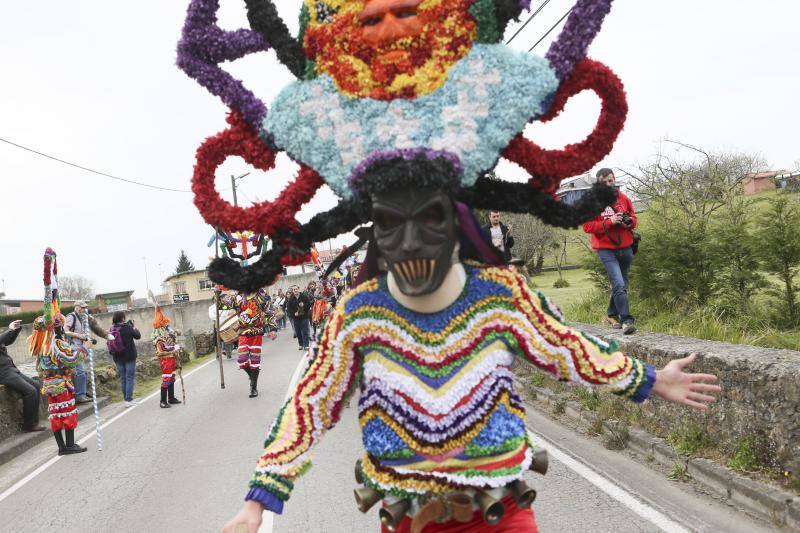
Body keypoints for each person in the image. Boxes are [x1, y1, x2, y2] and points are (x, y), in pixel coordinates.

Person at [178, 1, 720, 530]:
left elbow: (569, 350)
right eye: (395, 223)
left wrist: (652, 381)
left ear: (457, 222)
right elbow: (310, 403)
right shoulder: (359, 314)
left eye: (428, 221)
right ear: (378, 235)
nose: (412, 243)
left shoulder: (500, 296)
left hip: (501, 515)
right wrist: (259, 501)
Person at [30, 248, 86, 455]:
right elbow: (70, 359)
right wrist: (84, 349)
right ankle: (69, 445)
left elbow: (51, 304)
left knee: (55, 414)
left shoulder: (42, 348)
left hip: (48, 384)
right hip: (61, 384)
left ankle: (62, 447)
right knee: (68, 411)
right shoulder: (56, 344)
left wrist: (51, 271)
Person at [582, 168, 638, 335]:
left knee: (622, 284)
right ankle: (626, 320)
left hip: (626, 248)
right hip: (606, 250)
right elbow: (587, 226)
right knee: (619, 284)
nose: (608, 183)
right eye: (604, 181)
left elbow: (634, 219)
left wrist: (628, 222)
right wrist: (610, 222)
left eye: (611, 180)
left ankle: (611, 314)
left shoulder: (623, 198)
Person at [218, 288, 277, 398]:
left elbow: (269, 313)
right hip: (243, 332)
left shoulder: (262, 296)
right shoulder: (238, 298)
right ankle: (252, 376)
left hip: (257, 332)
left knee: (255, 361)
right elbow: (223, 306)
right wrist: (217, 295)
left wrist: (273, 329)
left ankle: (253, 387)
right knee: (242, 360)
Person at [0, 319, 45, 432]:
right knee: (30, 391)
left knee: (36, 386)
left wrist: (15, 330)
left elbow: (7, 341)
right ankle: (29, 424)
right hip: (3, 372)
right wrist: (10, 329)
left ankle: (34, 421)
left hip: (11, 369)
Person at [151, 305, 183, 409]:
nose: (167, 326)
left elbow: (176, 333)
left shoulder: (167, 335)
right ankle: (163, 401)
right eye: (165, 325)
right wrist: (173, 350)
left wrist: (175, 334)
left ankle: (171, 398)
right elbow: (160, 352)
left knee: (172, 378)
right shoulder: (159, 339)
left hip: (172, 359)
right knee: (167, 379)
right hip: (166, 360)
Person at [109, 311, 141, 407]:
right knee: (129, 377)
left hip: (117, 357)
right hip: (129, 356)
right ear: (122, 318)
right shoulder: (127, 328)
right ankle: (129, 399)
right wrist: (135, 327)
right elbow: (138, 336)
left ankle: (126, 399)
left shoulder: (112, 329)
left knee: (123, 378)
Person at [64, 300, 92, 404]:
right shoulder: (71, 316)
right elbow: (65, 331)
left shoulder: (82, 318)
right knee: (81, 371)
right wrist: (79, 336)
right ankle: (80, 395)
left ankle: (82, 392)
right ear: (77, 307)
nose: (84, 309)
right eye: (83, 307)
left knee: (82, 371)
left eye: (85, 308)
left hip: (82, 347)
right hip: (74, 348)